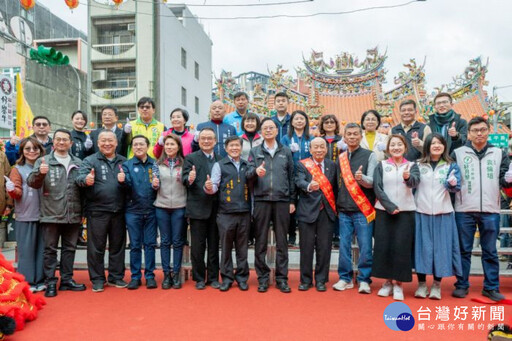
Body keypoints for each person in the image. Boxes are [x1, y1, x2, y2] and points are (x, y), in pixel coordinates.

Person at [451, 116, 512, 301]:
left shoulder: (499, 153)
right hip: (464, 208)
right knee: (464, 250)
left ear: (488, 131)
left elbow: (503, 179)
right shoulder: (458, 153)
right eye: (475, 130)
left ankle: (491, 287)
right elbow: (451, 179)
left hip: (490, 208)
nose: (479, 133)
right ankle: (462, 284)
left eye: (483, 130)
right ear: (468, 134)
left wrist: (508, 179)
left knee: (490, 250)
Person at [27, 129, 86, 297]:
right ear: (53, 142)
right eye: (58, 139)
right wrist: (40, 173)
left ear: (71, 143)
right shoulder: (44, 161)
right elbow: (32, 183)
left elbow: (83, 189)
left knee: (70, 248)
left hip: (73, 213)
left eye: (65, 140)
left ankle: (67, 280)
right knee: (50, 250)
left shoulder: (78, 162)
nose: (61, 142)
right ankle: (51, 281)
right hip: (50, 213)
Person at [247, 117, 295, 293]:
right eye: (265, 128)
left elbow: (291, 177)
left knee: (282, 242)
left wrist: (292, 200)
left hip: (282, 200)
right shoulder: (255, 151)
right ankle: (263, 278)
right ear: (261, 131)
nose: (268, 130)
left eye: (271, 128)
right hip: (261, 199)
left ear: (277, 131)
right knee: (261, 242)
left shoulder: (286, 152)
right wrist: (255, 171)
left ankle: (282, 278)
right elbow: (247, 173)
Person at [76, 130, 127, 293]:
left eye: (110, 140)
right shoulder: (90, 160)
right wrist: (86, 180)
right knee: (96, 247)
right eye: (103, 141)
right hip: (97, 211)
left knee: (118, 246)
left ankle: (116, 276)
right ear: (98, 143)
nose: (107, 144)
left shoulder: (123, 161)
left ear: (116, 143)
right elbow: (79, 178)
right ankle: (97, 279)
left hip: (119, 210)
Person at [414, 133, 462, 300]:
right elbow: (411, 184)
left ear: (444, 146)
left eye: (439, 143)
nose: (436, 146)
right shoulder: (418, 164)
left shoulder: (451, 165)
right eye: (433, 143)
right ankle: (421, 284)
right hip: (421, 212)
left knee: (441, 250)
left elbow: (457, 188)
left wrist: (452, 184)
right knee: (422, 249)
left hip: (444, 213)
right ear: (427, 145)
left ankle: (436, 285)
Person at [372, 134, 420, 300]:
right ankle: (387, 282)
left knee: (402, 248)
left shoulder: (412, 165)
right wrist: (389, 206)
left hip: (406, 212)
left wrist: (408, 178)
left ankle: (398, 284)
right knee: (384, 247)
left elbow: (415, 183)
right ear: (388, 148)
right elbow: (377, 188)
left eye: (399, 144)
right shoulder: (382, 165)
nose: (396, 148)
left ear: (405, 147)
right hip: (384, 211)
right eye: (392, 145)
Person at [332, 123, 377, 294]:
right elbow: (337, 184)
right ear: (344, 137)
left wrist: (361, 178)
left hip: (362, 209)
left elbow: (372, 182)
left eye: (355, 134)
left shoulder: (370, 155)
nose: (352, 137)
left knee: (365, 246)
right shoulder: (341, 158)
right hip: (344, 209)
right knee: (344, 246)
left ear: (361, 136)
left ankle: (364, 279)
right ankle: (345, 278)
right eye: (348, 134)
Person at [205, 136, 251, 291]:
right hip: (225, 213)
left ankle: (242, 278)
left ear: (241, 147)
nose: (234, 148)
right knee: (225, 248)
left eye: (237, 146)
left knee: (242, 248)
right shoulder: (220, 165)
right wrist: (209, 187)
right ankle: (226, 278)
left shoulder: (247, 165)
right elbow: (214, 187)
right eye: (231, 146)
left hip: (244, 212)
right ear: (226, 148)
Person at [295, 137, 337, 292]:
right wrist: (308, 185)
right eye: (316, 147)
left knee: (324, 247)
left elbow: (336, 188)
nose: (319, 150)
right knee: (306, 247)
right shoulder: (302, 164)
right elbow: (298, 181)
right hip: (307, 211)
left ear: (326, 149)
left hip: (326, 212)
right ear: (310, 150)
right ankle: (305, 280)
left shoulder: (332, 165)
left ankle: (321, 280)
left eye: (322, 147)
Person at [182, 128, 221, 290]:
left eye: (209, 138)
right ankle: (199, 277)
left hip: (217, 208)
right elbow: (184, 179)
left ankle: (213, 277)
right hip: (197, 208)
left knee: (214, 245)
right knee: (198, 246)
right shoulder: (191, 158)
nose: (206, 141)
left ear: (215, 141)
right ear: (199, 140)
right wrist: (189, 179)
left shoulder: (221, 159)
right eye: (203, 138)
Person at [5, 137, 45, 293]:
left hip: (45, 214)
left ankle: (41, 280)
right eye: (28, 148)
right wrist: (11, 190)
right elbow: (17, 192)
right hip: (26, 214)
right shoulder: (18, 169)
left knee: (42, 250)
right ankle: (27, 282)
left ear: (40, 150)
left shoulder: (45, 166)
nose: (32, 151)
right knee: (26, 250)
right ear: (22, 151)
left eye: (35, 148)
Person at [121, 135, 158, 290]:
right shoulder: (127, 165)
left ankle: (150, 276)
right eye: (135, 144)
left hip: (152, 209)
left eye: (141, 144)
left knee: (150, 244)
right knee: (135, 245)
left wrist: (157, 185)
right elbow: (126, 186)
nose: (138, 147)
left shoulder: (155, 164)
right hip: (133, 210)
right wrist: (122, 180)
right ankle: (135, 276)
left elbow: (160, 185)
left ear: (148, 146)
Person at [153, 134, 187, 289]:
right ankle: (166, 275)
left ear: (178, 146)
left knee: (178, 242)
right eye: (167, 144)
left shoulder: (185, 164)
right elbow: (154, 185)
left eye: (172, 144)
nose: (169, 147)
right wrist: (154, 184)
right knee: (165, 241)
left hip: (180, 206)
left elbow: (188, 183)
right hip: (162, 206)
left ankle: (176, 274)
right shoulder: (157, 164)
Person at [281, 110, 313, 246]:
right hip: (290, 174)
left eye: (302, 118)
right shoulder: (286, 138)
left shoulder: (310, 137)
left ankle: (306, 235)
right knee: (291, 205)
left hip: (308, 175)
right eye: (296, 119)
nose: (299, 121)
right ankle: (292, 235)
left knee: (306, 205)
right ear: (292, 122)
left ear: (305, 121)